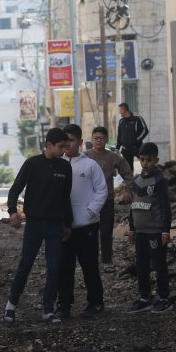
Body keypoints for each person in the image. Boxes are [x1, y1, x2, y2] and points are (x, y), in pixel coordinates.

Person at [4, 128, 73, 324]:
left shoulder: (65, 168)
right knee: (25, 264)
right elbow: (14, 190)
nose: (63, 151)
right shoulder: (32, 164)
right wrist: (12, 212)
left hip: (55, 225)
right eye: (60, 147)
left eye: (65, 147)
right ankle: (11, 305)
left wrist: (67, 224)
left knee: (54, 267)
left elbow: (65, 198)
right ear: (49, 145)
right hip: (34, 223)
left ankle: (48, 309)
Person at [58, 124, 108, 319]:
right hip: (63, 226)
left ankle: (96, 302)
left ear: (79, 141)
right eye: (64, 140)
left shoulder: (89, 165)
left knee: (89, 265)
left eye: (70, 140)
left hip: (86, 225)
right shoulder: (57, 165)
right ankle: (64, 304)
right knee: (64, 266)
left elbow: (101, 190)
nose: (67, 144)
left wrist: (90, 212)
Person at [127, 142, 172, 313]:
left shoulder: (160, 181)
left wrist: (165, 230)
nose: (145, 163)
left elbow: (165, 207)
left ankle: (164, 297)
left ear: (156, 160)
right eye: (142, 159)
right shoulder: (137, 181)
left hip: (155, 231)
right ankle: (144, 297)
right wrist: (132, 228)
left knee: (159, 264)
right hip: (140, 232)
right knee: (141, 265)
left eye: (149, 160)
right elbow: (133, 205)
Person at [86, 125, 134, 265]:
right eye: (96, 138)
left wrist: (128, 190)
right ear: (91, 139)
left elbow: (128, 173)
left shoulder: (113, 157)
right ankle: (91, 261)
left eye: (101, 138)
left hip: (107, 199)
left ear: (106, 140)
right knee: (90, 233)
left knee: (106, 232)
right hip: (89, 201)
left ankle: (107, 261)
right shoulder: (86, 156)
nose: (98, 141)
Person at [116, 102, 149, 172]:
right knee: (129, 170)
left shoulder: (137, 118)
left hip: (137, 148)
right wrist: (117, 148)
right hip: (126, 150)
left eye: (120, 110)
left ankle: (149, 178)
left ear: (124, 110)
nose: (119, 112)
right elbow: (119, 135)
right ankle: (130, 182)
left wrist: (137, 139)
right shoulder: (121, 121)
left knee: (146, 164)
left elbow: (145, 130)